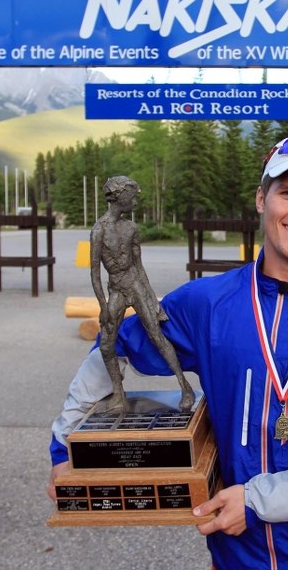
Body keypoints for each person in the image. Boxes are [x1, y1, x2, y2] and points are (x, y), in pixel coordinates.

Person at [49, 136, 288, 570]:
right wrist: (64, 447)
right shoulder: (207, 304)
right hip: (240, 557)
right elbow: (115, 345)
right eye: (287, 193)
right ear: (261, 199)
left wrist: (258, 501)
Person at [90, 175, 194, 412]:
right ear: (119, 196)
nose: (135, 203)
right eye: (132, 197)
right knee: (106, 345)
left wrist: (151, 298)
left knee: (157, 336)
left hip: (135, 286)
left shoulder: (131, 228)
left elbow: (139, 266)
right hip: (116, 290)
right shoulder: (99, 231)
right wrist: (104, 307)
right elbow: (95, 273)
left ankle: (184, 386)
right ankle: (119, 395)